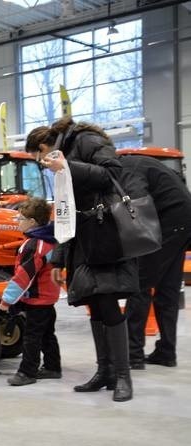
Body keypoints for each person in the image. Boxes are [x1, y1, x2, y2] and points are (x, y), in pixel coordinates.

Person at [26, 116, 138, 402]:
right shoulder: (66, 154)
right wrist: (59, 259)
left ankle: (123, 376)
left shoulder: (85, 142)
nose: (43, 163)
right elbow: (66, 211)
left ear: (43, 146)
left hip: (105, 234)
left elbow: (112, 174)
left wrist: (67, 166)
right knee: (95, 305)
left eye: (39, 157)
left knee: (108, 302)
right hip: (84, 238)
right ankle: (105, 372)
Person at [122, 155, 191, 369]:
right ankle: (166, 352)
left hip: (168, 226)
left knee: (140, 285)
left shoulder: (128, 167)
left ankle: (132, 354)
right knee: (167, 291)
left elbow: (137, 198)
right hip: (183, 224)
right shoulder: (144, 163)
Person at [0, 198, 61, 386]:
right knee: (47, 334)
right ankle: (52, 366)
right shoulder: (50, 241)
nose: (18, 222)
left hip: (37, 299)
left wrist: (7, 300)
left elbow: (24, 276)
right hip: (48, 299)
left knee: (31, 337)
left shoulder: (34, 245)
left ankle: (27, 372)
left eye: (20, 219)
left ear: (32, 222)